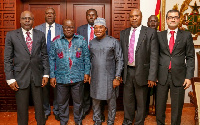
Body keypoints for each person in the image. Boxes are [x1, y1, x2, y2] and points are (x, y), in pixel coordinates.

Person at [4, 11, 49, 125]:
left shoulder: (40, 35)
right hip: (20, 77)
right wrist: (10, 78)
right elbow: (7, 59)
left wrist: (46, 74)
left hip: (38, 76)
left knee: (40, 108)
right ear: (20, 20)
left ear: (33, 20)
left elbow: (44, 56)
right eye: (24, 18)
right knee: (22, 109)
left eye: (29, 18)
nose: (27, 20)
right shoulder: (11, 35)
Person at [156, 9, 195, 125]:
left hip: (179, 77)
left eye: (175, 17)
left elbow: (190, 57)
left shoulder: (186, 35)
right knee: (159, 107)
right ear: (167, 20)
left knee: (177, 108)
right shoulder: (159, 35)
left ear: (179, 19)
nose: (173, 19)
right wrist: (154, 75)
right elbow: (154, 56)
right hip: (161, 76)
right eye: (170, 17)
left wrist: (188, 77)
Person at [120, 9, 158, 125]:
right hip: (128, 71)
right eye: (131, 16)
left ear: (141, 17)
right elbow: (121, 55)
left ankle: (139, 122)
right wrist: (120, 74)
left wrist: (152, 76)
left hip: (143, 72)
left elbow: (154, 55)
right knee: (128, 99)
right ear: (129, 18)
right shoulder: (124, 33)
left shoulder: (150, 32)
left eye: (136, 16)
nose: (134, 18)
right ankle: (127, 120)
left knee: (141, 100)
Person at [49, 19, 90, 125]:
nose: (69, 29)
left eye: (71, 27)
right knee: (62, 102)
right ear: (62, 28)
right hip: (61, 78)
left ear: (74, 28)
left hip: (78, 77)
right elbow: (52, 59)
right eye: (66, 27)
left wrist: (87, 73)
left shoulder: (81, 40)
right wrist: (52, 76)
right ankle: (63, 120)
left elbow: (86, 58)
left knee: (78, 102)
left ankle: (78, 120)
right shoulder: (56, 41)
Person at [89, 17, 123, 125]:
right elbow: (89, 60)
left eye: (100, 27)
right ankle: (97, 120)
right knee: (95, 101)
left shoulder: (113, 42)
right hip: (95, 77)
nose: (98, 30)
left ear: (105, 29)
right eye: (96, 28)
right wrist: (89, 75)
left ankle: (110, 121)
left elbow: (119, 59)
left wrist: (117, 77)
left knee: (111, 102)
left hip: (110, 78)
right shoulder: (92, 42)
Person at [77, 8, 106, 121]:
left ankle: (100, 111)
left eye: (93, 15)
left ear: (97, 16)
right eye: (89, 15)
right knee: (84, 87)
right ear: (86, 17)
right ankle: (85, 108)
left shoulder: (102, 29)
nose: (91, 17)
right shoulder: (80, 29)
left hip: (99, 62)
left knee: (100, 88)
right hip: (84, 62)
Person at [35, 7, 63, 121]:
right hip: (42, 63)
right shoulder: (37, 28)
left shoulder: (61, 28)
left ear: (55, 15)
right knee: (44, 88)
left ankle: (57, 110)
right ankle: (46, 110)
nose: (50, 15)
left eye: (52, 13)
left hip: (58, 63)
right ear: (45, 15)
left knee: (58, 88)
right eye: (47, 13)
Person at [146, 15, 159, 116]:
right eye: (151, 21)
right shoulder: (144, 34)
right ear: (147, 23)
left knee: (158, 93)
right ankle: (145, 111)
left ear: (158, 23)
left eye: (155, 21)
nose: (153, 23)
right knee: (145, 93)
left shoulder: (162, 35)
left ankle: (157, 111)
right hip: (145, 69)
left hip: (159, 69)